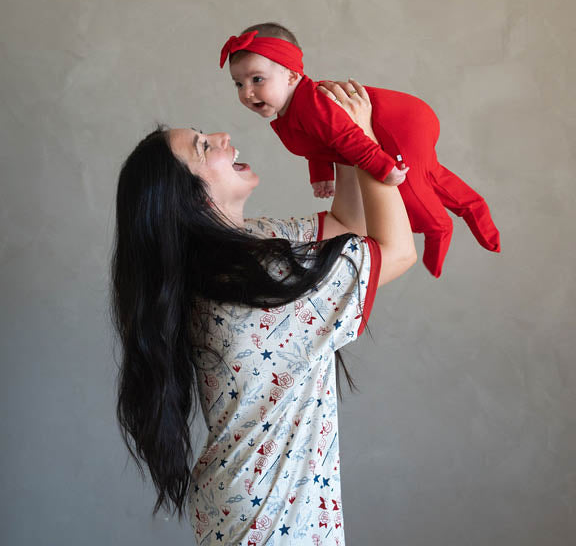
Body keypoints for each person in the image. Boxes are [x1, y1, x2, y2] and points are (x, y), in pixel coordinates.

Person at [112, 80, 416, 545]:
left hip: (242, 503)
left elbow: (345, 227)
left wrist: (339, 141)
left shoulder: (238, 250)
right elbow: (396, 251)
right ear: (190, 197)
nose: (222, 137)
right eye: (202, 147)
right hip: (274, 525)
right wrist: (364, 141)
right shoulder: (256, 281)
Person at [220, 22, 501, 278]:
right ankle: (475, 209)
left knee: (411, 190)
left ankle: (438, 227)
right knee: (430, 174)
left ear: (292, 76)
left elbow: (346, 137)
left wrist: (383, 167)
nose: (247, 92)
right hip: (405, 117)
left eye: (257, 79)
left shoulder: (313, 103)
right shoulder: (290, 113)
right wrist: (321, 176)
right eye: (239, 83)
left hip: (400, 122)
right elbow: (318, 146)